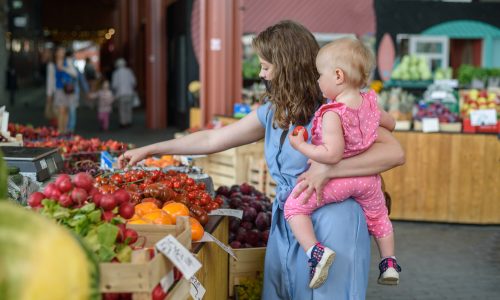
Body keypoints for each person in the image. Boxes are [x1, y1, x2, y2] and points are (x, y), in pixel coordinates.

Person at [118, 20, 404, 299]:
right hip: (289, 221)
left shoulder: (337, 107)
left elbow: (394, 152)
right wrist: (151, 149)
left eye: (267, 66)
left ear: (287, 67)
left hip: (333, 220)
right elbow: (211, 139)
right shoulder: (274, 111)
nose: (262, 74)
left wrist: (329, 170)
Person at [285, 37, 401, 289]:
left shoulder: (332, 113)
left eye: (319, 75)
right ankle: (389, 262)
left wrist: (301, 146)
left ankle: (315, 253)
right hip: (369, 180)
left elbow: (332, 155)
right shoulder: (369, 101)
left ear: (338, 75)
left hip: (340, 181)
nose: (317, 81)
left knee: (294, 208)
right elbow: (391, 124)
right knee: (379, 217)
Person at [46, 46, 78, 133]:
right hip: (59, 90)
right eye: (60, 51)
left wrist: (63, 68)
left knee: (66, 110)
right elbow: (50, 80)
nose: (62, 53)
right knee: (61, 110)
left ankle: (65, 130)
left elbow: (75, 74)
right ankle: (60, 130)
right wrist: (49, 95)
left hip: (68, 90)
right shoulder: (52, 65)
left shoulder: (68, 61)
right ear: (56, 53)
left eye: (63, 51)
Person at [66, 50, 90, 133]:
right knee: (68, 110)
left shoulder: (74, 69)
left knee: (71, 109)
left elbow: (82, 80)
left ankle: (70, 127)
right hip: (66, 92)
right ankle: (68, 127)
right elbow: (82, 80)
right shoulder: (64, 67)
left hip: (73, 92)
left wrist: (87, 91)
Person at [111, 58, 136, 128]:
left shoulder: (116, 73)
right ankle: (129, 121)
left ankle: (123, 122)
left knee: (122, 109)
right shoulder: (129, 71)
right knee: (129, 108)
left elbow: (114, 85)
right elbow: (133, 82)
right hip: (129, 93)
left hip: (120, 93)